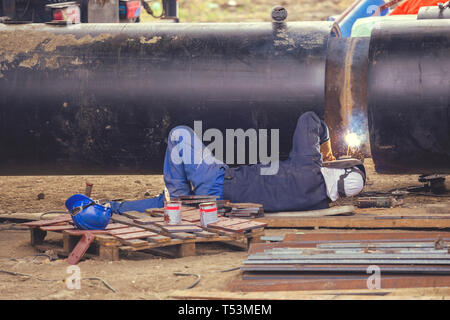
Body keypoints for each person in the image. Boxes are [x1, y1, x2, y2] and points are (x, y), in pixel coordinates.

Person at [109, 111, 366, 214]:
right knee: (164, 204)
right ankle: (112, 209)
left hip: (218, 183)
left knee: (180, 134)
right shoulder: (319, 201)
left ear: (338, 170)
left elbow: (309, 118)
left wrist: (326, 150)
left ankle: (178, 199)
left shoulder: (308, 166)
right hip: (216, 203)